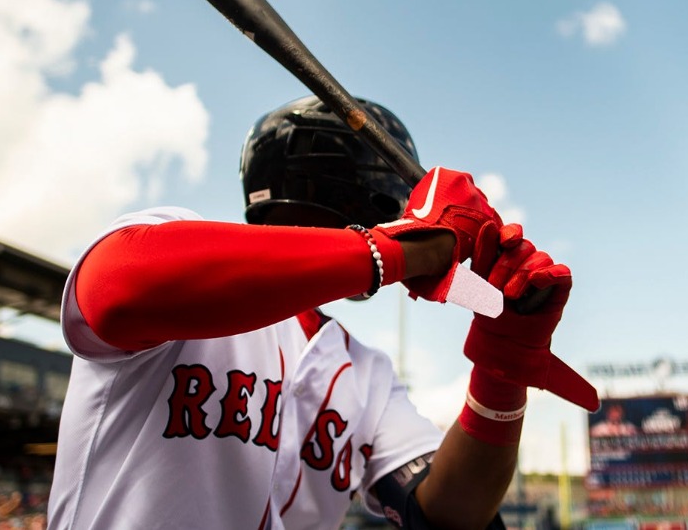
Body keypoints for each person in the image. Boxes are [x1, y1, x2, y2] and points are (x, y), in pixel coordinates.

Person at [47, 97, 598, 529]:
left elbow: (450, 514)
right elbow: (114, 289)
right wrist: (404, 250)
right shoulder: (174, 247)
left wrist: (502, 370)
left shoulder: (367, 374)